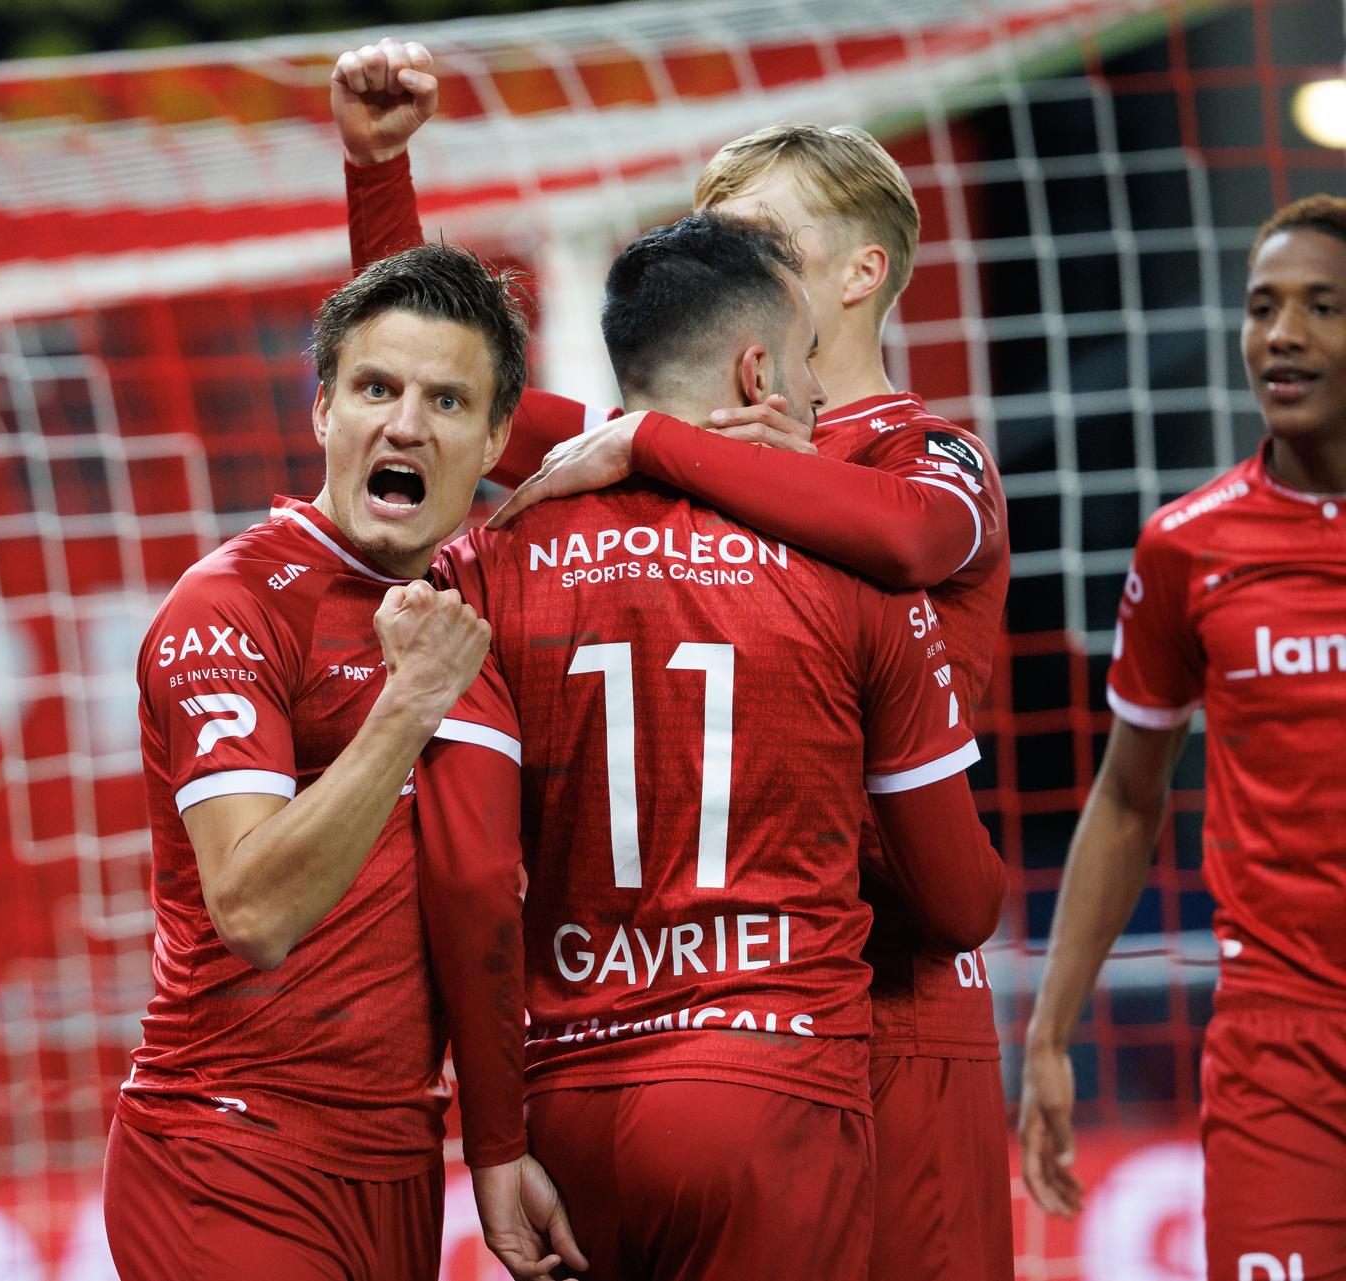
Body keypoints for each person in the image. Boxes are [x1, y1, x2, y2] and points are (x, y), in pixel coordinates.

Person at [332, 39, 1015, 1277]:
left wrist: (656, 436)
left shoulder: (930, 458)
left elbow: (910, 540)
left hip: (902, 1005)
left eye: (757, 231)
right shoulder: (653, 449)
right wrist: (379, 172)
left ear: (860, 273)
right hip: (712, 1020)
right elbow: (448, 391)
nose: (724, 256)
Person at [104, 244, 582, 1280]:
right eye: (375, 388)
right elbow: (255, 911)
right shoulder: (230, 606)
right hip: (228, 1149)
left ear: (498, 437)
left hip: (395, 1166)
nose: (405, 423)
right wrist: (409, 705)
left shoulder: (472, 600)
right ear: (323, 412)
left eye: (447, 401)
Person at [1019, 195, 1346, 1279]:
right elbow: (1124, 796)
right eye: (1263, 308)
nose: (1281, 334)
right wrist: (1052, 1031)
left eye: (1320, 307)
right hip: (1281, 1044)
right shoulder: (1188, 549)